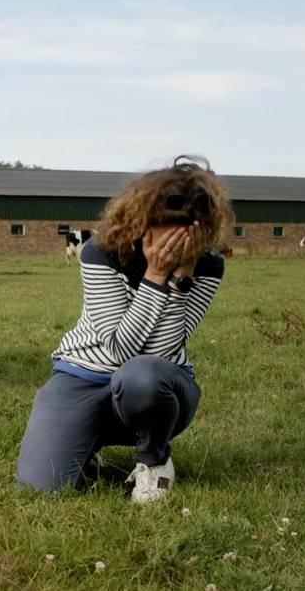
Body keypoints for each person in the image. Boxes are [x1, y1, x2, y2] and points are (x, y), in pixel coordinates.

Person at [16, 156, 233, 503]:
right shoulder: (100, 252)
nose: (173, 244)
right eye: (165, 231)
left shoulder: (207, 264)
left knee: (143, 376)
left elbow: (161, 355)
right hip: (83, 374)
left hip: (155, 385)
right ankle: (83, 443)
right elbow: (119, 350)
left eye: (187, 233)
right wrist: (156, 275)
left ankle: (154, 461)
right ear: (143, 221)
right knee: (41, 485)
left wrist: (181, 277)